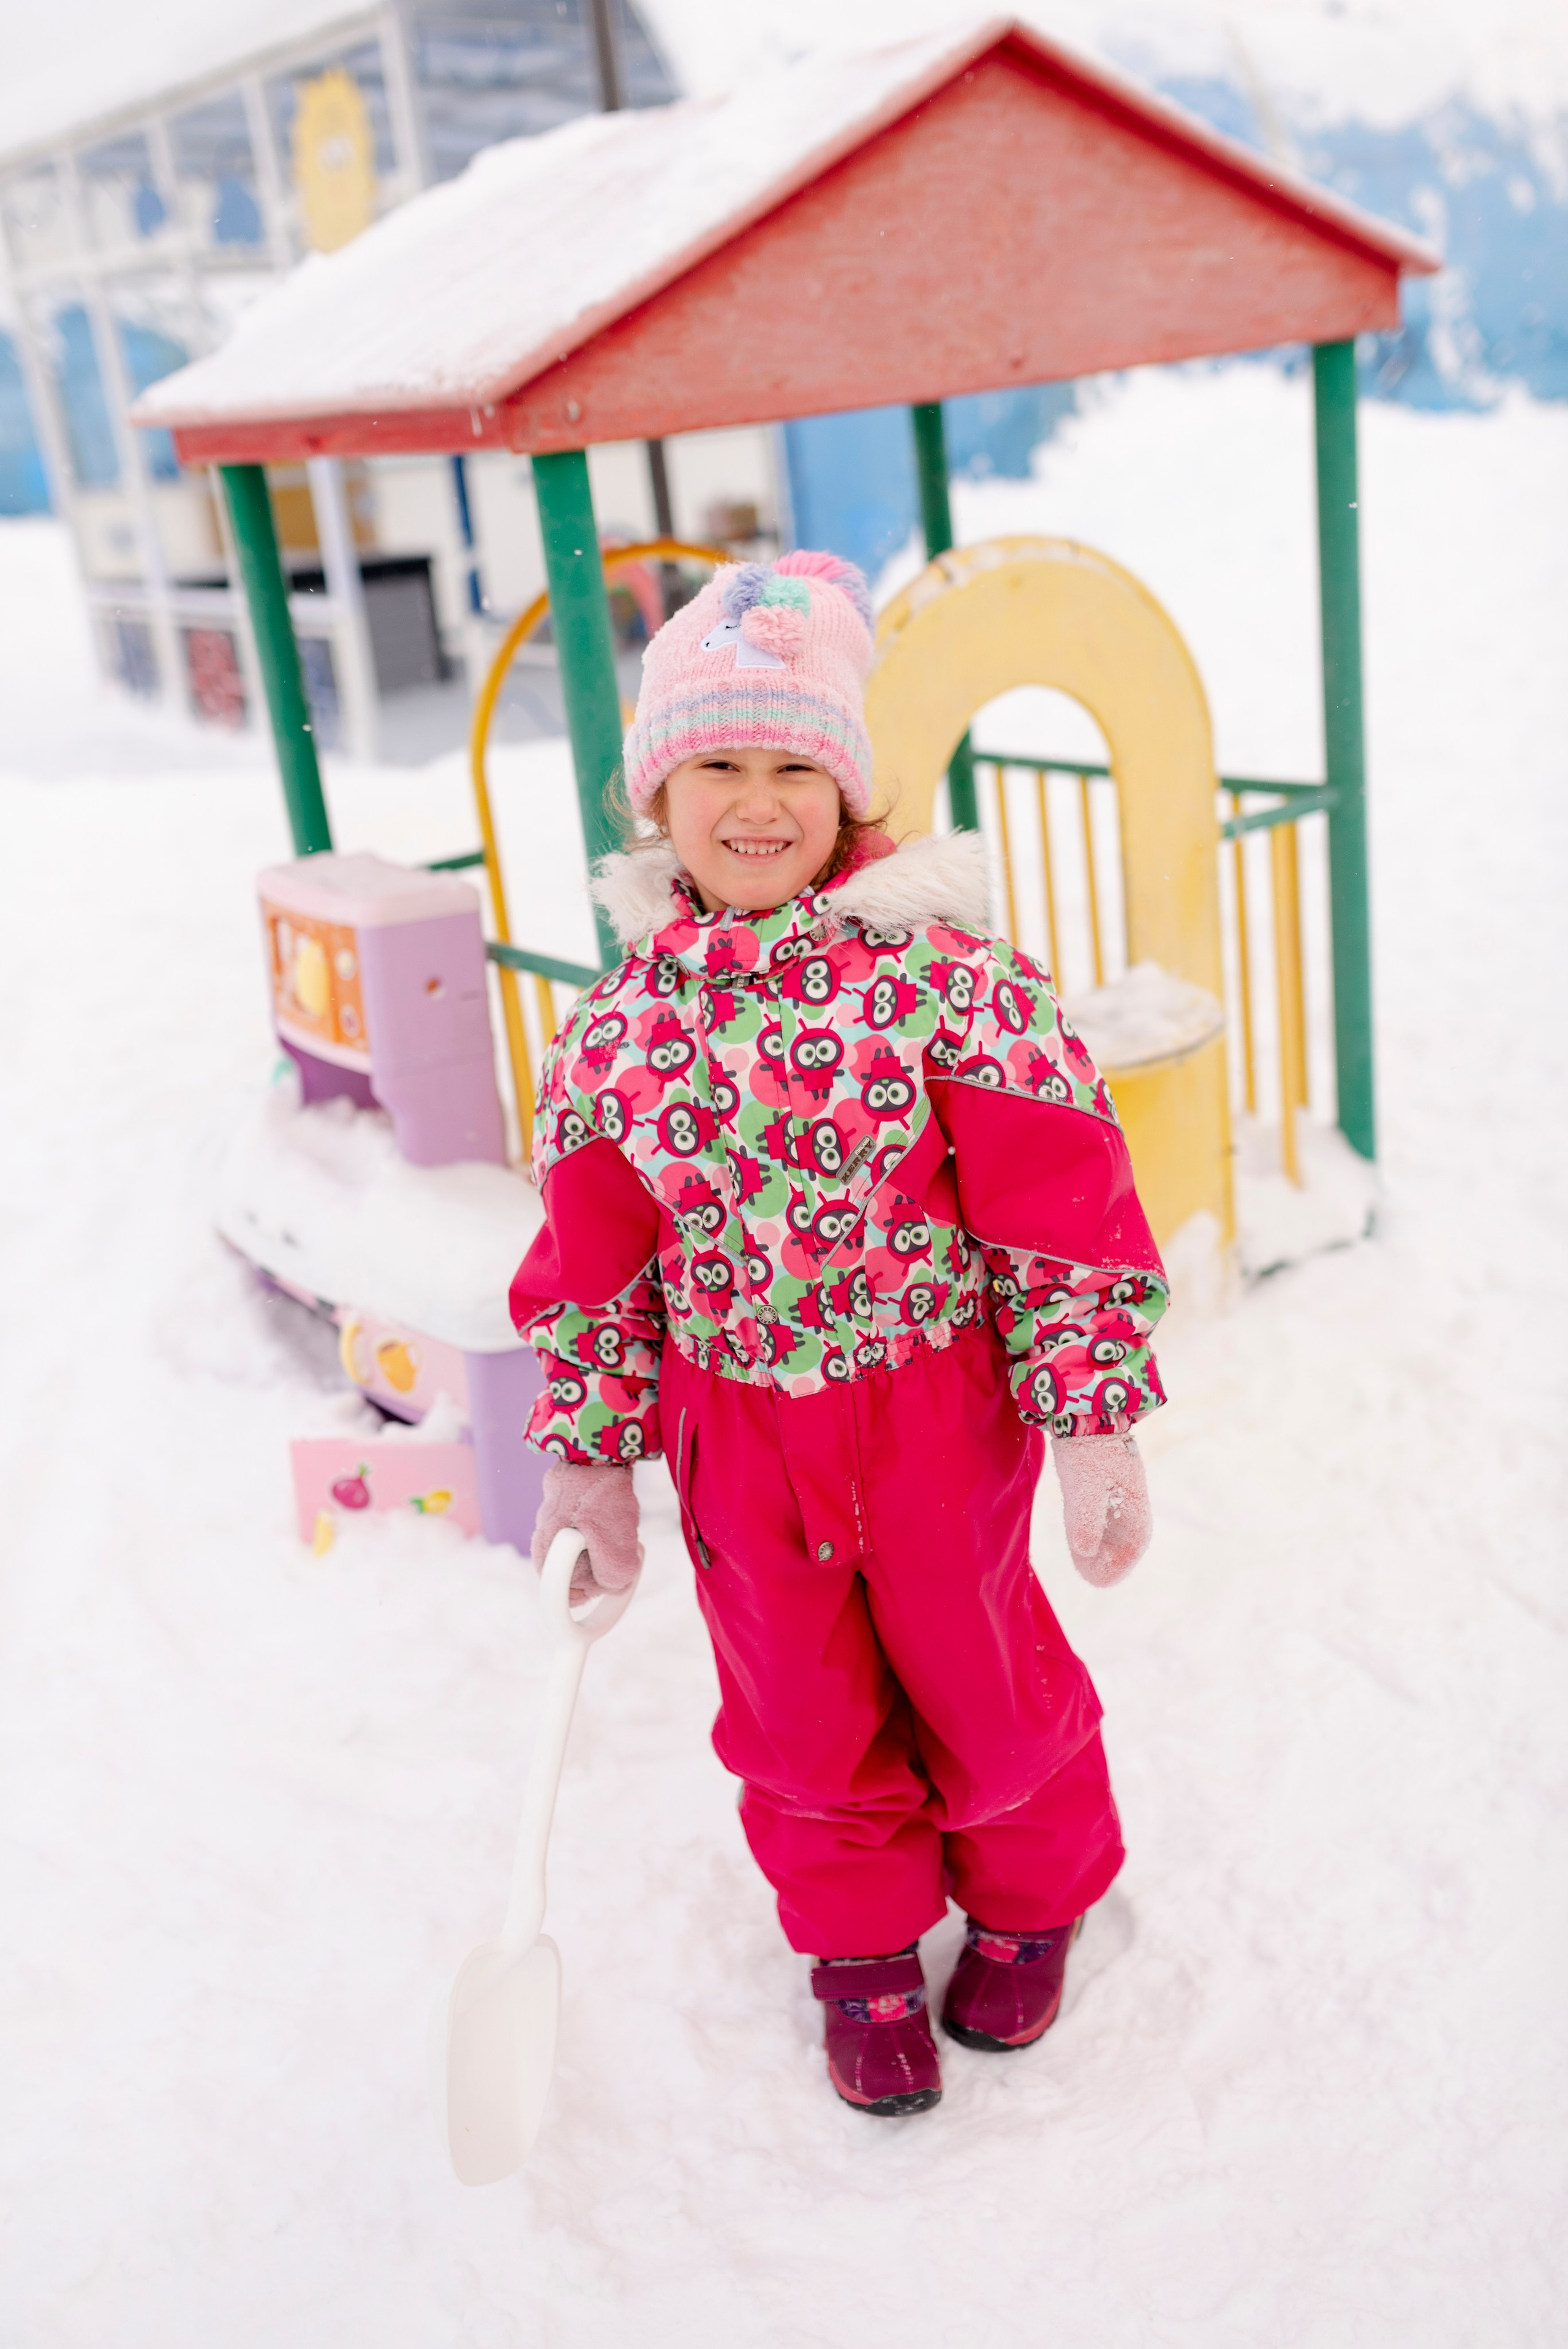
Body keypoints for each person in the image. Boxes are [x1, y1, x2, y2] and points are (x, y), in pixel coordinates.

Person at [508, 549, 1168, 2116]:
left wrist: (1089, 1419)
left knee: (980, 1671)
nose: (756, 800)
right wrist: (589, 1470)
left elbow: (1053, 1205)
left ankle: (1028, 1897)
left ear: (846, 786)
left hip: (932, 1404)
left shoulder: (944, 985)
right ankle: (859, 1949)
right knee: (795, 1707)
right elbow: (594, 1270)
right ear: (653, 803)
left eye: (793, 762)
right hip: (738, 1434)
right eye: (716, 764)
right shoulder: (616, 1034)